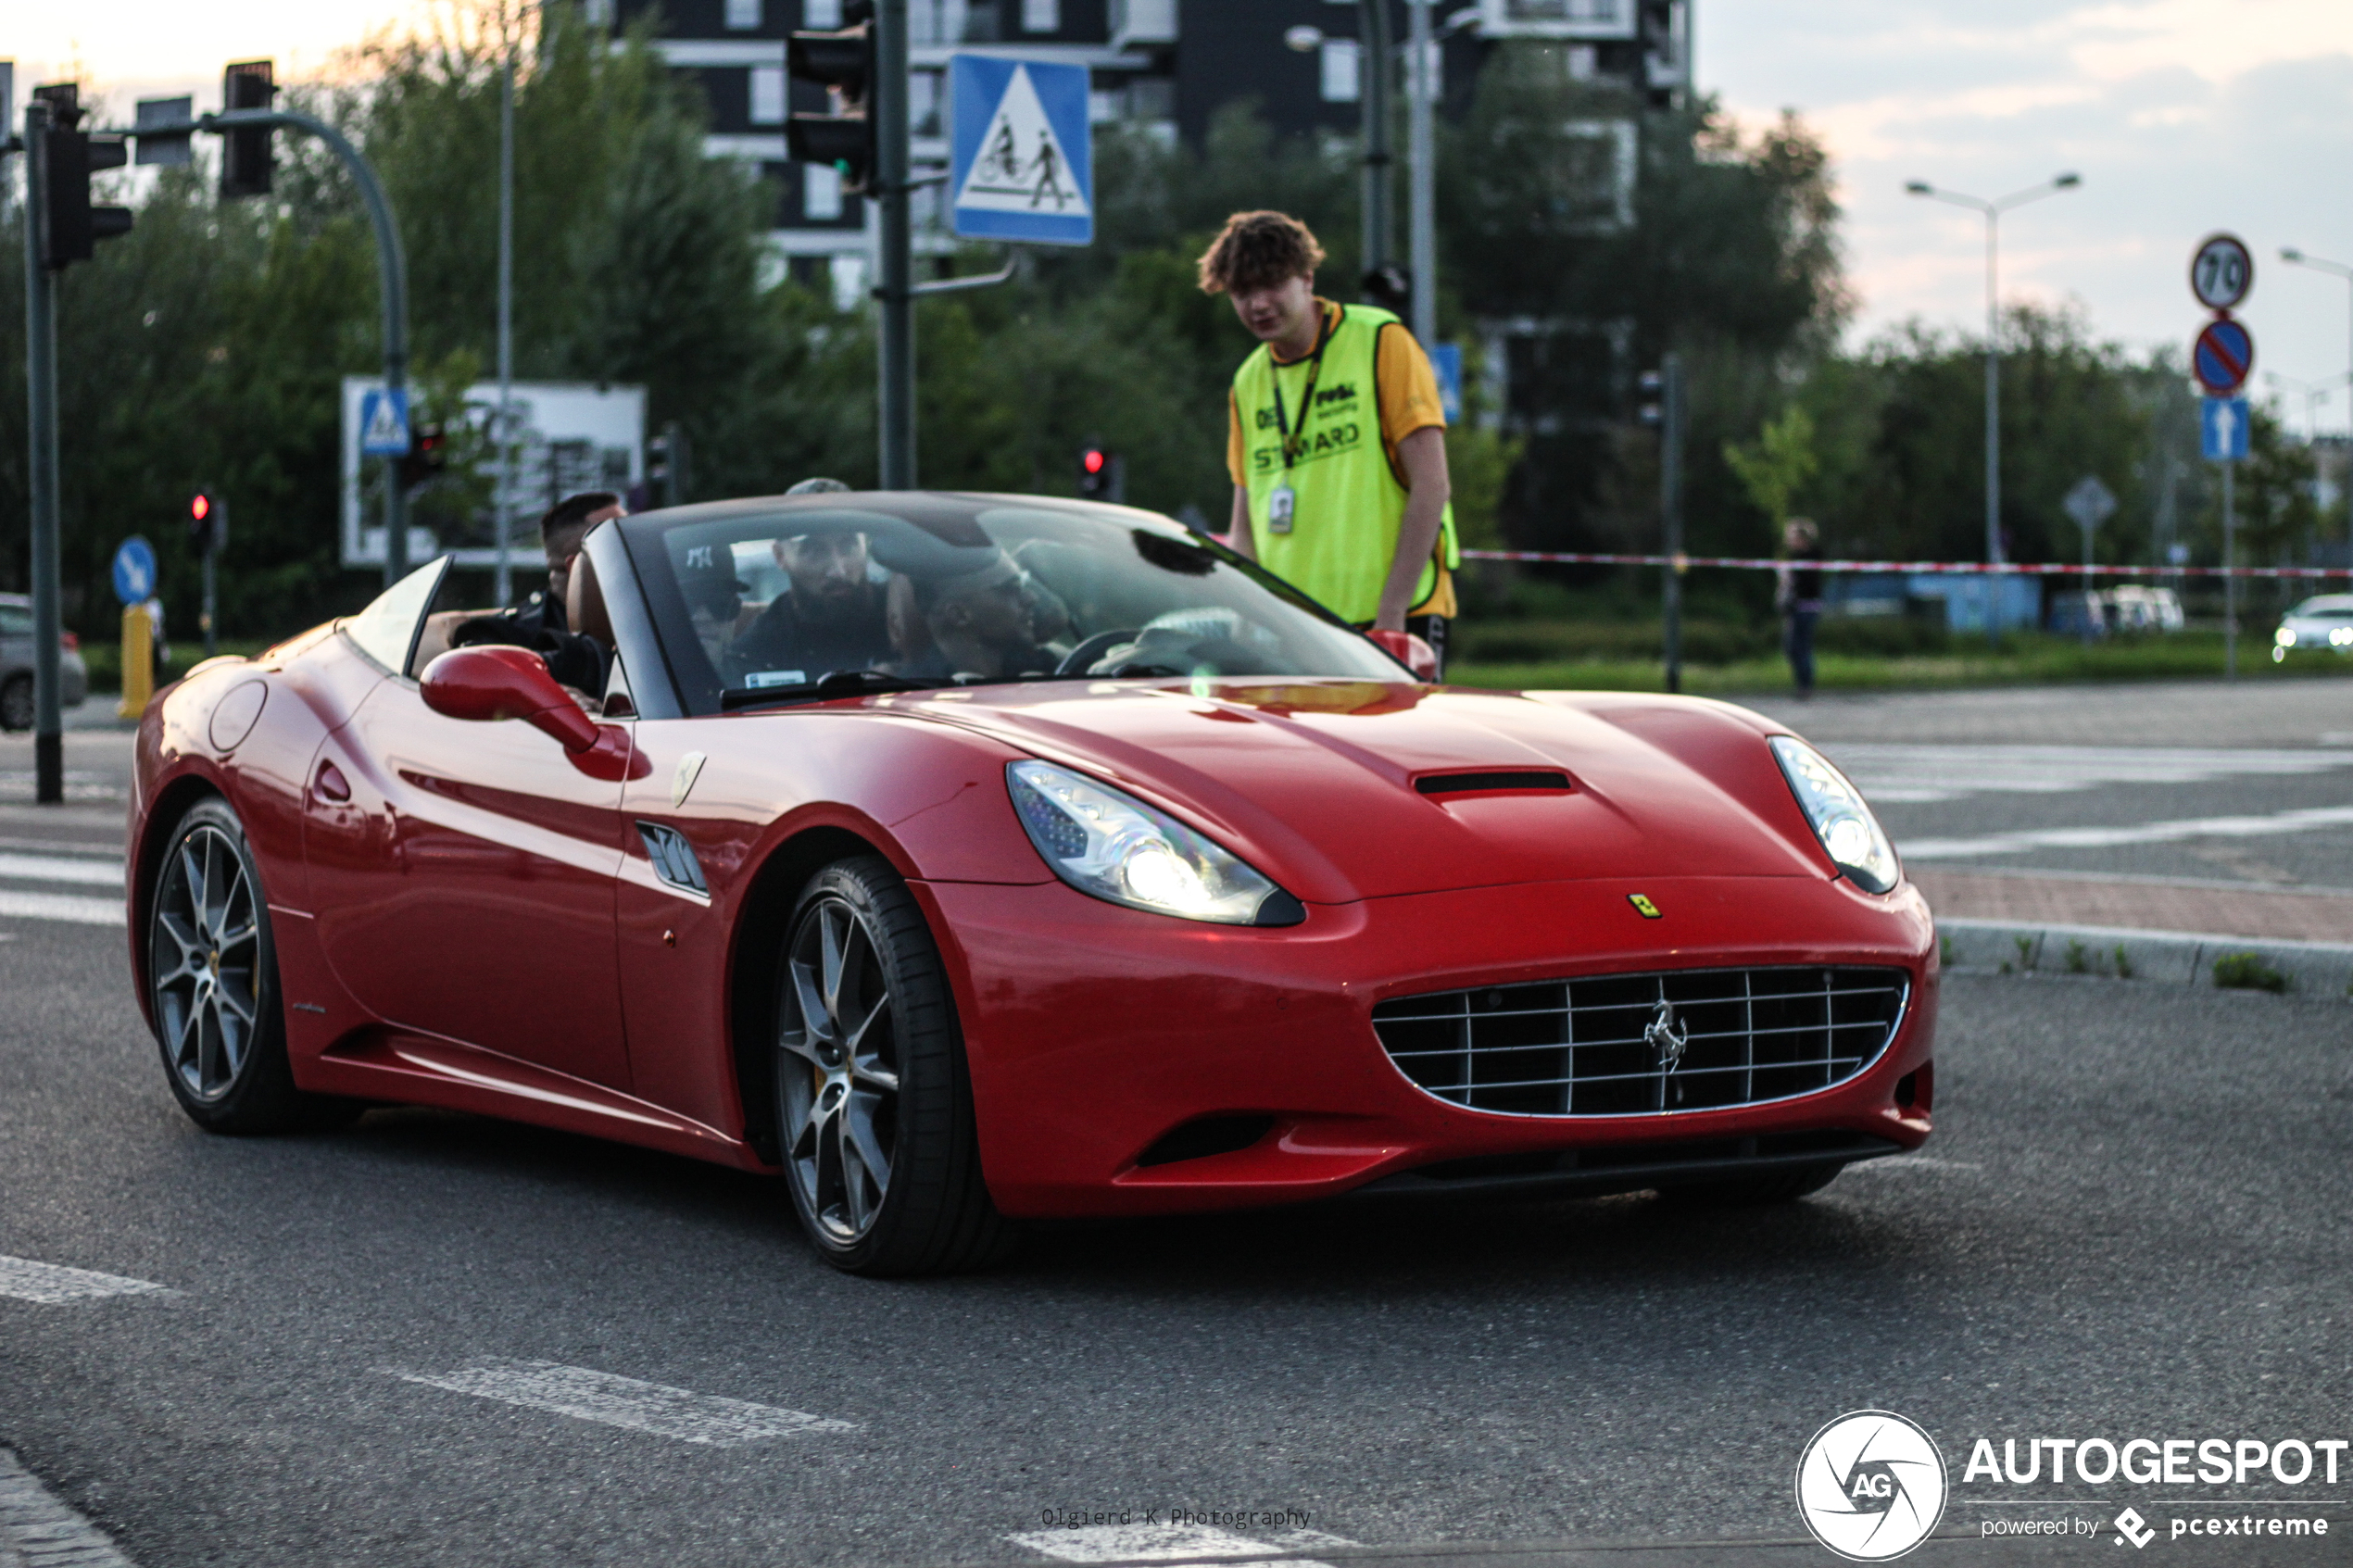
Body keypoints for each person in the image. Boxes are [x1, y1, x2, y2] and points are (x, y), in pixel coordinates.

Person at [1197, 210, 1459, 666]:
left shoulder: (1380, 340)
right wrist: (1245, 622)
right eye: (1242, 292)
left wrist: (1391, 614)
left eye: (1272, 285)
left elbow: (1432, 484)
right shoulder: (1248, 381)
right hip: (1296, 631)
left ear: (1307, 278)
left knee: (1392, 740)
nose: (1258, 304)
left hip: (1395, 617)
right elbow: (1245, 527)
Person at [447, 491, 624, 693]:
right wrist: (546, 691)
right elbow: (474, 670)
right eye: (621, 545)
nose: (637, 555)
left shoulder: (658, 615)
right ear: (578, 567)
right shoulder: (515, 637)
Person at [728, 529, 894, 683]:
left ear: (866, 545)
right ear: (780, 556)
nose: (838, 571)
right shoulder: (759, 651)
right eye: (815, 551)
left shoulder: (910, 618)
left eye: (848, 547)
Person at [1777, 517, 1825, 698]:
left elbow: (1805, 583)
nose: (1789, 542)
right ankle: (1802, 684)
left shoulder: (1812, 556)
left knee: (1801, 647)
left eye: (1792, 538)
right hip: (1796, 607)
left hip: (1807, 607)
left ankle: (1805, 686)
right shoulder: (1794, 558)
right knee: (1793, 648)